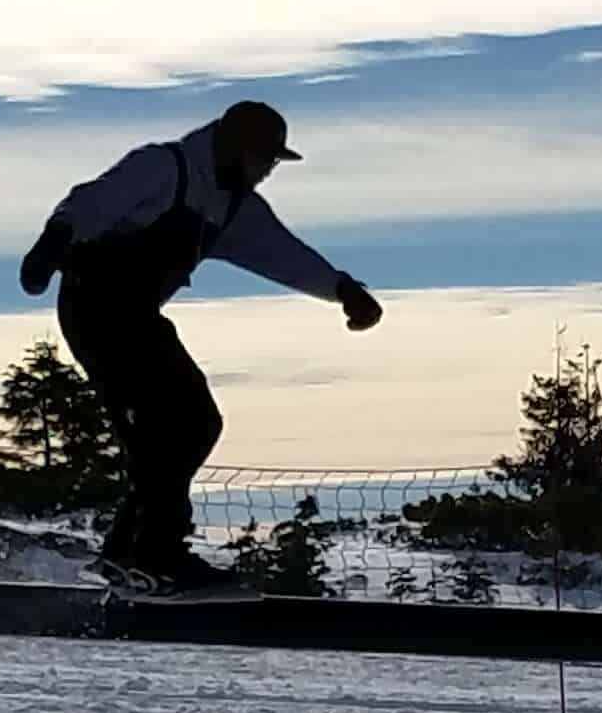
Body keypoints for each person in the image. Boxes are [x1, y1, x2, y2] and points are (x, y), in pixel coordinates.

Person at [20, 99, 381, 590]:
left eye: (274, 163)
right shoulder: (164, 167)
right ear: (234, 148)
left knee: (179, 431)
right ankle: (154, 555)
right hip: (96, 308)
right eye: (265, 160)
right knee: (185, 422)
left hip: (136, 317)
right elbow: (91, 200)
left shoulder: (233, 208)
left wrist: (343, 289)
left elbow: (282, 255)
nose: (268, 171)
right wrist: (51, 243)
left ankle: (128, 554)